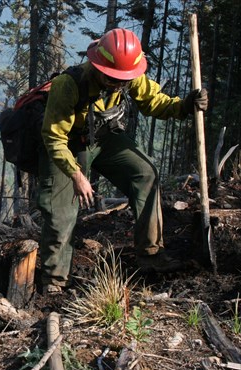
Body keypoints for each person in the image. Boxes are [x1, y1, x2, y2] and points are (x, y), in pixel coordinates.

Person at [37, 28, 208, 294]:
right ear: (98, 66)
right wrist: (76, 174)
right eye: (112, 79)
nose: (119, 84)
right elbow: (54, 138)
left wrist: (185, 105)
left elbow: (154, 102)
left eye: (123, 79)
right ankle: (55, 280)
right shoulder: (68, 85)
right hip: (67, 146)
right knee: (62, 210)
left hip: (103, 139)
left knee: (145, 172)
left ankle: (150, 254)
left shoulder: (130, 75)